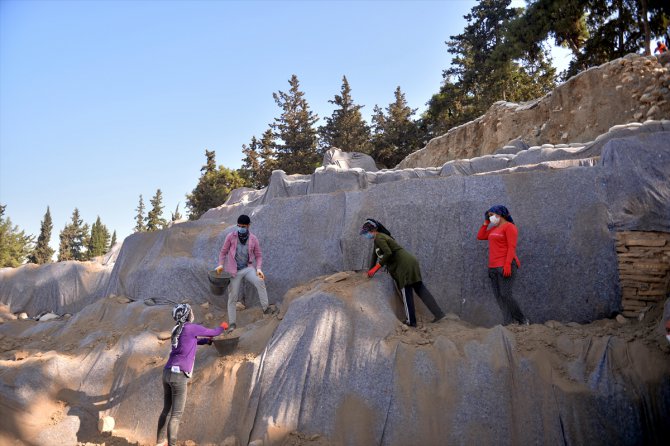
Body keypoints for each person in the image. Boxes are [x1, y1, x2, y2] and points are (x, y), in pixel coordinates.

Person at [157, 303, 228, 446]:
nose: (192, 313)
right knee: (176, 415)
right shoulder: (191, 327)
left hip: (167, 373)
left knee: (166, 410)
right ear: (187, 315)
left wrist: (205, 342)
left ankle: (159, 442)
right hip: (178, 376)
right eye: (190, 311)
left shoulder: (177, 329)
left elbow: (188, 342)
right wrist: (223, 326)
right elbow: (214, 332)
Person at [361, 219, 446, 327]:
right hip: (410, 262)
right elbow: (374, 256)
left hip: (403, 266)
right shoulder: (378, 239)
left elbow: (388, 253)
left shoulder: (379, 238)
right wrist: (370, 269)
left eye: (366, 233)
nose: (365, 235)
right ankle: (439, 314)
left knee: (406, 292)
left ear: (373, 230)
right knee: (420, 289)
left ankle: (411, 321)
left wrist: (376, 268)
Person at [215, 214, 276, 331]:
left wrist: (258, 268)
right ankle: (232, 323)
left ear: (248, 226)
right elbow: (223, 253)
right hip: (234, 271)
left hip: (247, 268)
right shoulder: (230, 237)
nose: (241, 228)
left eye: (243, 226)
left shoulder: (253, 239)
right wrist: (220, 265)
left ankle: (266, 308)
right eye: (239, 226)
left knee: (260, 281)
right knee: (232, 297)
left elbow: (258, 255)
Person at [477, 205, 528, 325]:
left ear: (500, 214)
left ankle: (522, 320)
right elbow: (480, 236)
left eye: (492, 215)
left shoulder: (510, 227)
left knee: (506, 295)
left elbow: (512, 247)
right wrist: (485, 223)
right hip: (493, 267)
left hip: (505, 265)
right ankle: (508, 321)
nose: (491, 218)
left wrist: (508, 264)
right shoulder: (494, 229)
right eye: (489, 216)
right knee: (499, 297)